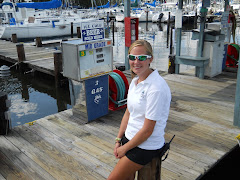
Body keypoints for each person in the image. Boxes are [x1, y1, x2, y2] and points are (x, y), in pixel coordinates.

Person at [107, 40, 171, 180]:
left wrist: (125, 149)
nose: (136, 62)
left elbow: (148, 130)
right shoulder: (136, 81)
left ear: (150, 59)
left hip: (145, 146)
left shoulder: (156, 88)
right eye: (132, 57)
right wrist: (119, 139)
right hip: (129, 139)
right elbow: (128, 112)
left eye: (141, 57)